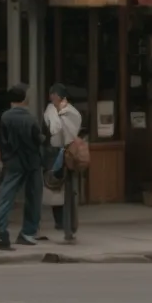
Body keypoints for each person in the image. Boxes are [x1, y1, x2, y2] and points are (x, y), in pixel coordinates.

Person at [0, 84, 47, 250]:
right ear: (24, 99)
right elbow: (38, 139)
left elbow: (2, 139)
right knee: (34, 197)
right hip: (32, 162)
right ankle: (27, 232)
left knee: (6, 195)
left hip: (13, 161)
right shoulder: (30, 118)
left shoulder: (5, 117)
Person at [44, 84, 84, 234]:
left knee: (59, 187)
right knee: (59, 187)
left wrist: (58, 113)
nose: (51, 98)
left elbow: (55, 129)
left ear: (57, 96)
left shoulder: (65, 111)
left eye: (52, 95)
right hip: (65, 150)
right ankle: (65, 223)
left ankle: (65, 222)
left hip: (64, 150)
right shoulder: (63, 110)